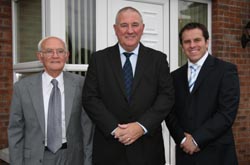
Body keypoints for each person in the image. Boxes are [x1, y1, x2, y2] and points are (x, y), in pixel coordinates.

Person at [82, 6, 174, 165]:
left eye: (135, 25)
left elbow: (166, 97)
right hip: (109, 148)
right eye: (124, 25)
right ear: (115, 29)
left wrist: (141, 126)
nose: (130, 30)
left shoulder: (158, 60)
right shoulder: (99, 59)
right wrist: (115, 129)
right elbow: (90, 98)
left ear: (143, 28)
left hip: (148, 149)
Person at [8, 36, 93, 165]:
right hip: (35, 158)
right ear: (40, 56)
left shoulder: (81, 85)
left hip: (72, 157)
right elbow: (15, 130)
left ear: (66, 55)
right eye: (49, 51)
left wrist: (88, 161)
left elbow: (88, 129)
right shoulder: (22, 88)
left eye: (60, 51)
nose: (55, 56)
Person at [165, 22, 240, 165]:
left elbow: (226, 113)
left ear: (207, 42)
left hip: (217, 154)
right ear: (182, 46)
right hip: (185, 154)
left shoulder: (226, 71)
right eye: (187, 42)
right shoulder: (174, 76)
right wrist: (182, 139)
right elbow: (169, 112)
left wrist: (196, 139)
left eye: (197, 40)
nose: (192, 45)